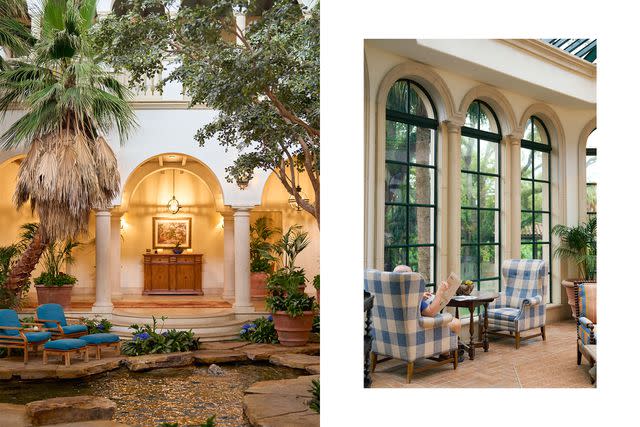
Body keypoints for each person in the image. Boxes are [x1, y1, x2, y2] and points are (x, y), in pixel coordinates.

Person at [393, 265, 461, 334]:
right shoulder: (411, 297)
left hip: (395, 332)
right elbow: (431, 312)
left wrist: (420, 296)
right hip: (417, 331)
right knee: (456, 323)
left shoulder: (389, 293)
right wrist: (440, 292)